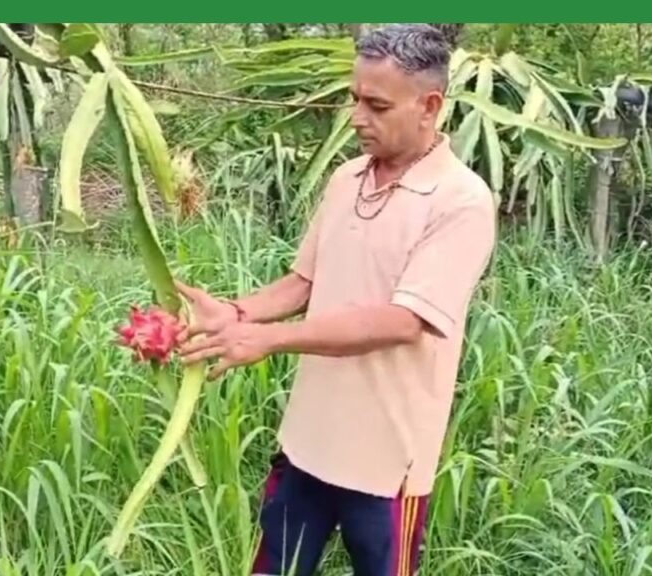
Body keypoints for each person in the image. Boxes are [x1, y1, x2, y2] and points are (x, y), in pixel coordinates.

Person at [174, 23, 497, 576]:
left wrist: (268, 339)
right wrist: (236, 313)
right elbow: (303, 282)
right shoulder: (347, 178)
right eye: (355, 99)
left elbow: (402, 321)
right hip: (307, 444)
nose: (356, 118)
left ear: (430, 105)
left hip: (388, 465)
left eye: (376, 105)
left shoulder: (460, 201)